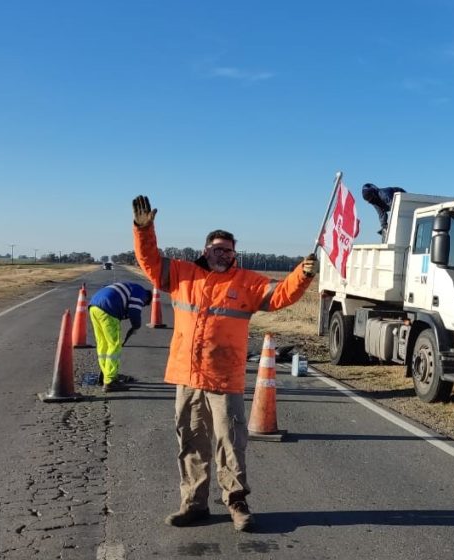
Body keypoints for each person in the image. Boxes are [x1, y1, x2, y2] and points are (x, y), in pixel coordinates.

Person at [131, 194, 318, 532]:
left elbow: (279, 296)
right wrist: (144, 230)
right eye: (218, 248)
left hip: (224, 378)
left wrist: (302, 275)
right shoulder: (182, 274)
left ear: (235, 254)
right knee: (191, 442)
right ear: (205, 250)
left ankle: (236, 502)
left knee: (230, 442)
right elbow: (150, 262)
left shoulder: (246, 282)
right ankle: (193, 504)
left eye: (229, 250)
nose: (223, 254)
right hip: (187, 377)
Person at [88, 281, 152, 393]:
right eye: (144, 304)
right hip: (108, 308)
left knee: (103, 344)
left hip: (94, 306)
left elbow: (124, 310)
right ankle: (110, 381)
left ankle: (106, 374)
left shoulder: (131, 287)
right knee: (114, 345)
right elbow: (134, 312)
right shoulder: (141, 292)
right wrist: (136, 326)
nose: (143, 305)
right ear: (147, 298)